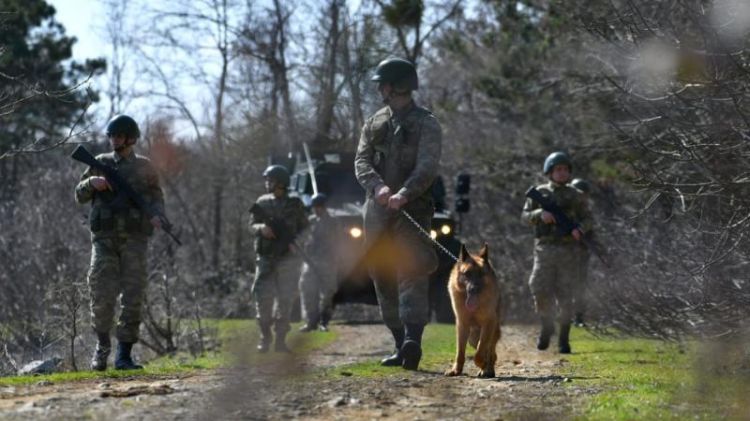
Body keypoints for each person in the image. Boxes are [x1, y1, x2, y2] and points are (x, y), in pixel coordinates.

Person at [354, 57, 442, 370]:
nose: (379, 88)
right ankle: (398, 342)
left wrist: (404, 194)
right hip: (377, 212)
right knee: (381, 274)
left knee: (412, 270)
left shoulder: (427, 123)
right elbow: (361, 161)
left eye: (383, 83)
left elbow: (427, 167)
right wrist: (378, 187)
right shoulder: (374, 122)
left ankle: (412, 342)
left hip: (413, 209)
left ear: (395, 86)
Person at [74, 114, 165, 371]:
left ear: (131, 138)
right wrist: (91, 183)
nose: (114, 140)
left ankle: (124, 355)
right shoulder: (99, 163)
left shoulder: (146, 167)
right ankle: (102, 348)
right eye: (112, 136)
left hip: (135, 241)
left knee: (133, 297)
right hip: (104, 241)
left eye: (119, 136)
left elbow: (157, 198)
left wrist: (158, 216)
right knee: (101, 294)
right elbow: (79, 195)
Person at [521, 152, 592, 354]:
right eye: (557, 169)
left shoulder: (576, 195)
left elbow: (589, 218)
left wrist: (580, 229)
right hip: (544, 249)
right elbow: (524, 217)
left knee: (566, 295)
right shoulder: (540, 193)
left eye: (565, 169)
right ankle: (546, 325)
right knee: (539, 287)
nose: (562, 173)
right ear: (550, 172)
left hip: (569, 251)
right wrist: (539, 215)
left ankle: (563, 338)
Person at [249, 165, 308, 352]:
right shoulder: (262, 202)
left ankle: (281, 341)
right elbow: (251, 224)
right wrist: (261, 229)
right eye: (267, 180)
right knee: (262, 299)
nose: (267, 183)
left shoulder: (295, 204)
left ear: (280, 183)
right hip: (265, 258)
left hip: (288, 260)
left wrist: (296, 243)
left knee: (286, 300)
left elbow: (306, 229)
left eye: (270, 180)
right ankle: (265, 337)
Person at [298, 193, 340, 332]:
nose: (316, 209)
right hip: (310, 261)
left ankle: (324, 321)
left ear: (324, 207)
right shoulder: (310, 221)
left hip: (327, 261)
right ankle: (310, 322)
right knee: (307, 291)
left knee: (327, 293)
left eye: (319, 207)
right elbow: (303, 238)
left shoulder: (332, 222)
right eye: (315, 207)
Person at [569, 178, 593, 327]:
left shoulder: (586, 213)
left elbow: (590, 230)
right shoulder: (567, 210)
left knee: (580, 286)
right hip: (564, 252)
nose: (582, 197)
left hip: (581, 253)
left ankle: (579, 317)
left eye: (584, 194)